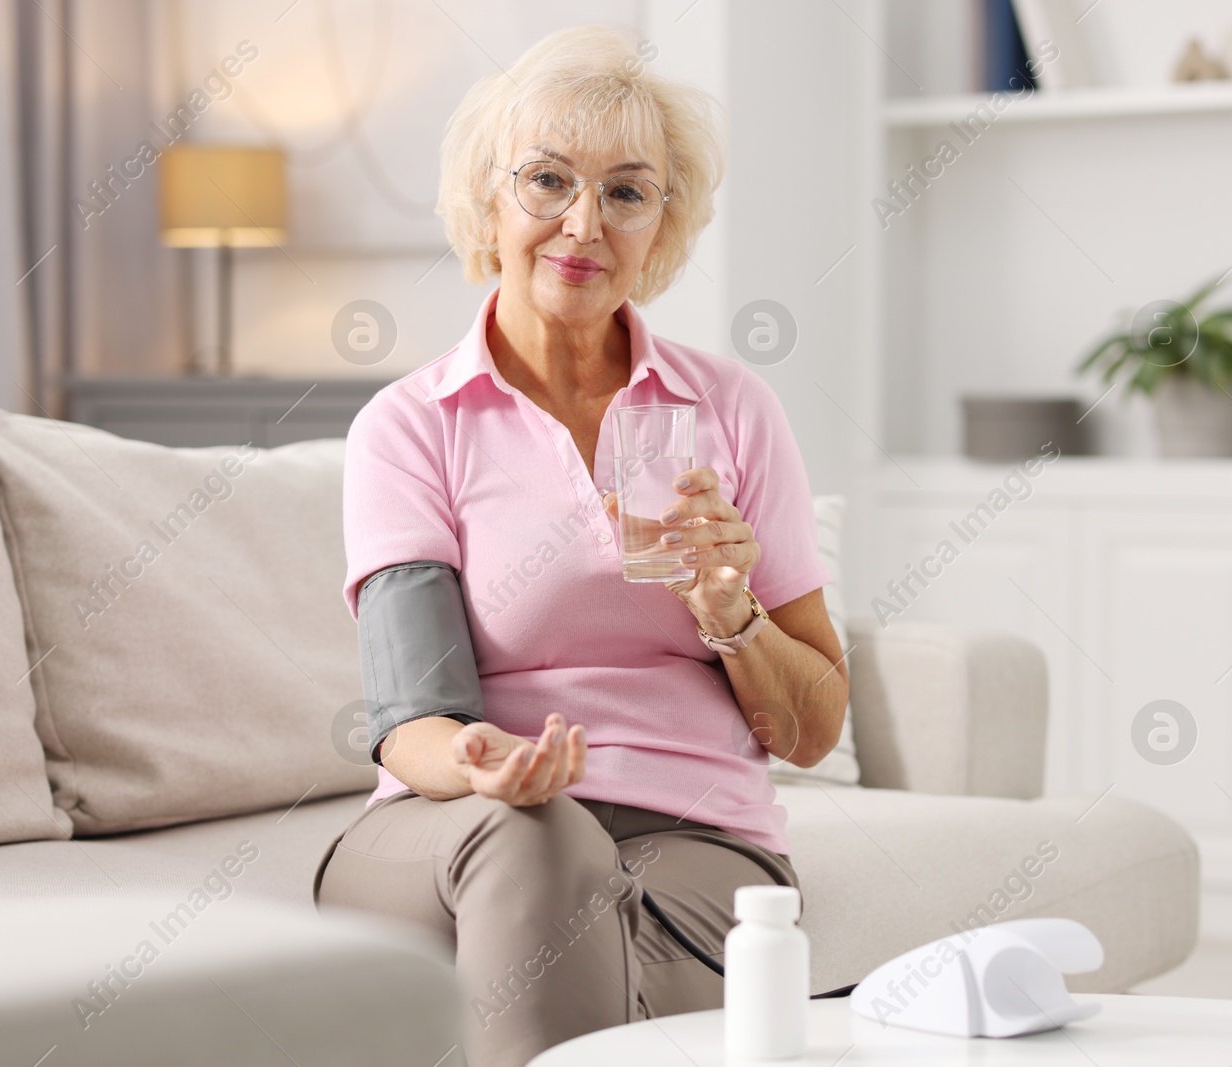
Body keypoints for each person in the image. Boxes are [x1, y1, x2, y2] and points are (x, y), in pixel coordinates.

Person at [311, 23, 848, 1067]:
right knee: (541, 838)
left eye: (627, 192)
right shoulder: (414, 423)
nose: (583, 223)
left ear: (663, 224)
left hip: (691, 836)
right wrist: (479, 762)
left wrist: (730, 611)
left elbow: (813, 727)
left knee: (564, 902)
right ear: (487, 199)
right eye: (547, 180)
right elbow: (409, 719)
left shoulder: (730, 410)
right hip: (448, 824)